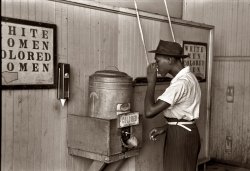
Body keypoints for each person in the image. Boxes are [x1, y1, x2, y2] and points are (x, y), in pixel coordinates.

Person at [144, 40, 201, 171]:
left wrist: (151, 82)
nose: (156, 66)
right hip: (185, 132)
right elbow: (185, 113)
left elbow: (149, 111)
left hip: (180, 137)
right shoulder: (190, 77)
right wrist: (166, 127)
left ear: (170, 59)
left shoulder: (180, 83)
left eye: (158, 61)